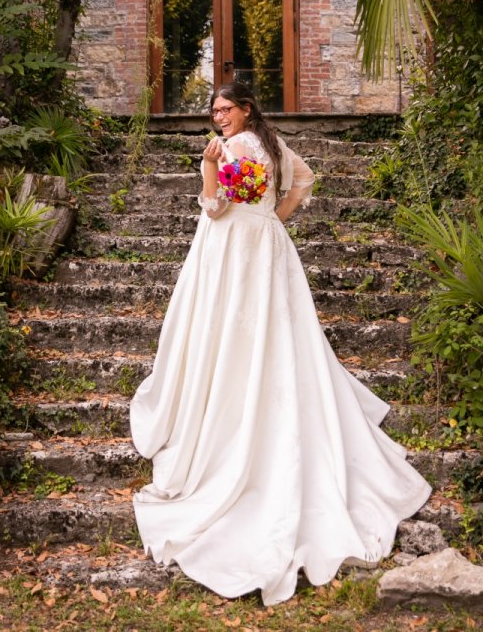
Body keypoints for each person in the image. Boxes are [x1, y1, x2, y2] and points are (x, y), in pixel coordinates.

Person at [130, 82, 431, 606]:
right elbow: (304, 179)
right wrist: (274, 218)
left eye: (226, 108)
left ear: (245, 109)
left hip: (233, 246)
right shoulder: (271, 144)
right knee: (273, 330)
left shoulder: (233, 147)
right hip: (266, 242)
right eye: (215, 110)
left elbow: (216, 208)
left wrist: (207, 169)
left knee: (229, 326)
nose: (219, 116)